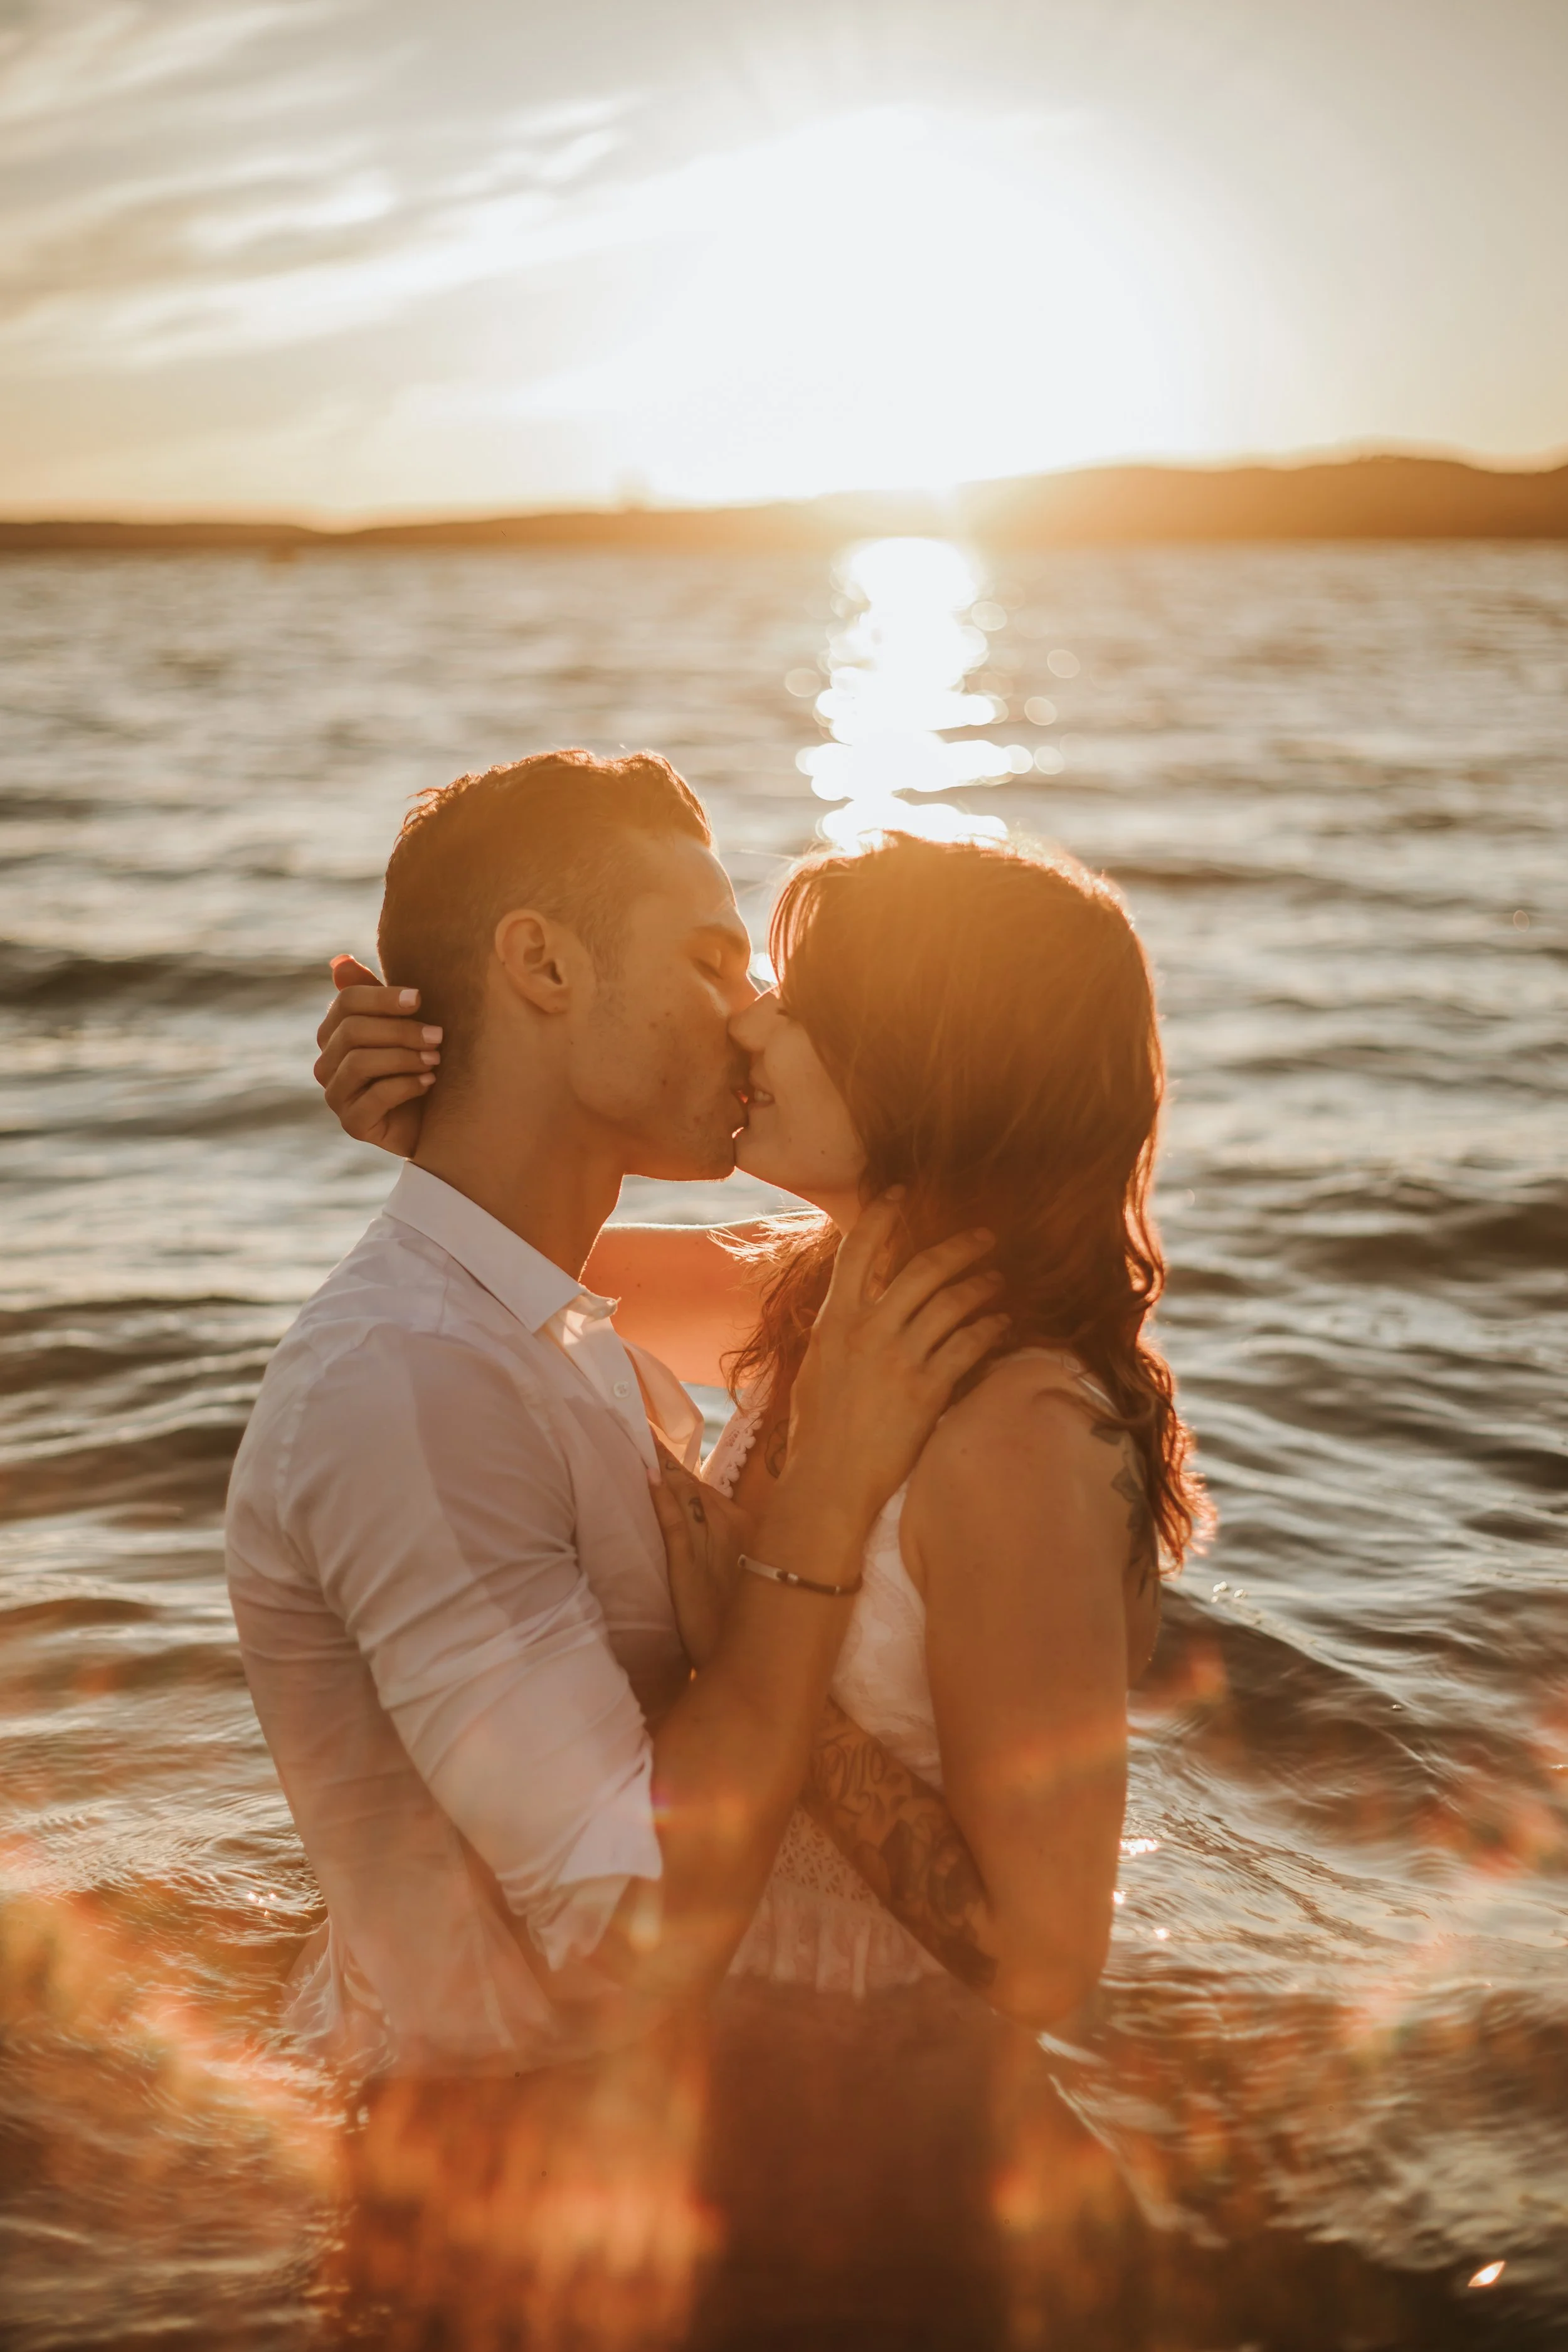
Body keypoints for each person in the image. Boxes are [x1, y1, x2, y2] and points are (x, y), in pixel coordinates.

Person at [314, 785, 1210, 2038]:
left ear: (917, 1058)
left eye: (799, 1001)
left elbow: (1047, 1960)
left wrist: (761, 1624)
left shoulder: (1022, 1433)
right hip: (727, 2077)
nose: (747, 1025)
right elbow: (524, 1262)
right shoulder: (829, 1303)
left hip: (879, 2119)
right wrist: (456, 1092)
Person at [227, 748, 1007, 2078]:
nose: (750, 1012)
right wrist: (817, 1513)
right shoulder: (408, 1385)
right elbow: (625, 1939)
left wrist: (457, 1150)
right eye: (711, 959)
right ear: (540, 967)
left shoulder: (545, 1332)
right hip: (486, 2189)